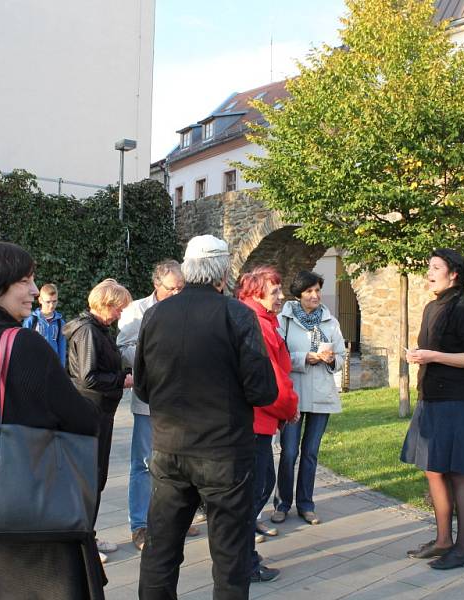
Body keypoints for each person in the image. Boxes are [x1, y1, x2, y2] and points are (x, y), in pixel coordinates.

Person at [0, 241, 105, 599]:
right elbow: (82, 420)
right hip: (39, 506)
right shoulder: (23, 343)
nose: (34, 290)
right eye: (25, 280)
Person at [135, 234, 278, 600]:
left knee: (160, 551)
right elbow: (262, 389)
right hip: (224, 454)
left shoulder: (155, 315)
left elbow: (142, 388)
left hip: (170, 450)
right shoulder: (237, 315)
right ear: (223, 271)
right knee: (230, 558)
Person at [401, 248, 464, 570]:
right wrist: (419, 356)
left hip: (457, 401)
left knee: (458, 472)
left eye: (435, 267)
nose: (429, 272)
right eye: (429, 266)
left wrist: (431, 356)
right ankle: (443, 540)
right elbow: (431, 351)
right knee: (433, 469)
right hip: (432, 399)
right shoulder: (431, 307)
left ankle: (463, 548)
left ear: (453, 274)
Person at [117, 260, 200, 551]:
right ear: (156, 285)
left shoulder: (188, 309)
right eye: (172, 288)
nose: (178, 293)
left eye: (181, 287)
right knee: (143, 464)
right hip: (149, 402)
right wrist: (155, 352)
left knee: (178, 460)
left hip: (181, 401)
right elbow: (123, 349)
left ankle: (176, 517)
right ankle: (139, 525)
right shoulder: (136, 311)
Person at [236, 266, 299, 582]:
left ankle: (243, 556)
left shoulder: (261, 321)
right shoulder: (257, 325)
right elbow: (270, 378)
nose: (281, 296)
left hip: (258, 420)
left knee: (256, 488)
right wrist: (289, 408)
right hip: (255, 420)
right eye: (275, 291)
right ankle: (241, 560)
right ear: (255, 292)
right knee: (256, 489)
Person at [64, 278, 133, 561]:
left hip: (98, 411)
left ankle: (87, 536)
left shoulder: (96, 329)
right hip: (90, 412)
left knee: (95, 477)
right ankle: (82, 544)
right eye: (118, 309)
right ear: (106, 305)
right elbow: (89, 376)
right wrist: (122, 379)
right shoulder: (88, 332)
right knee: (89, 478)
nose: (120, 314)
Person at [273, 270, 345, 526]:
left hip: (322, 396)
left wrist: (332, 358)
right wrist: (306, 357)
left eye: (317, 290)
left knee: (311, 452)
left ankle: (306, 504)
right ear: (299, 294)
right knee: (290, 451)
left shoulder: (330, 321)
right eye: (309, 291)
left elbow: (341, 358)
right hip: (294, 394)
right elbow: (278, 357)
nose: (315, 295)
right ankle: (282, 503)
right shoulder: (285, 319)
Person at [22, 282, 67, 366]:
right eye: (48, 302)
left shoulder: (60, 323)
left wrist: (62, 369)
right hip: (34, 366)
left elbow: (62, 347)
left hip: (53, 367)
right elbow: (24, 345)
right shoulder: (31, 320)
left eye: (54, 301)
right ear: (40, 300)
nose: (51, 305)